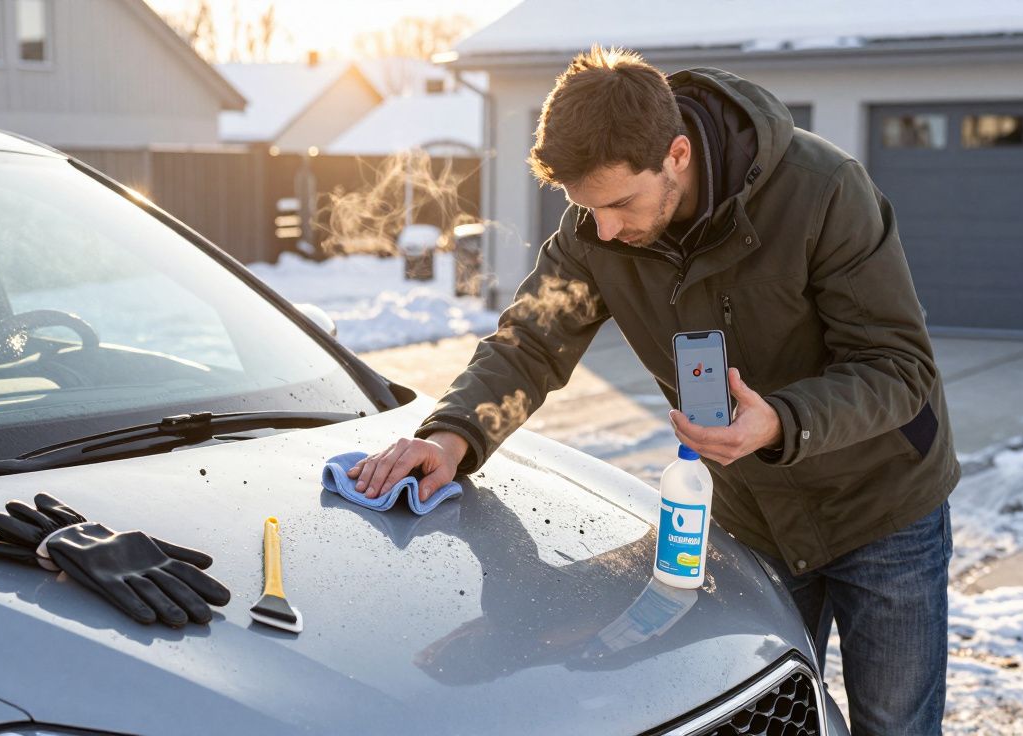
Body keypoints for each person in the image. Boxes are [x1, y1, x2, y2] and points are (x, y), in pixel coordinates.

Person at [347, 46, 959, 735]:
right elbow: (529, 344)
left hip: (881, 509)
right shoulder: (593, 232)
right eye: (586, 209)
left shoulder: (823, 190)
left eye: (617, 203)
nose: (602, 229)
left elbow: (898, 365)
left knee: (895, 725)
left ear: (676, 154)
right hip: (751, 517)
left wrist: (781, 421)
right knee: (763, 711)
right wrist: (452, 435)